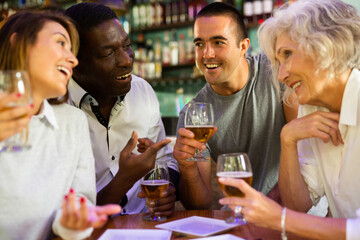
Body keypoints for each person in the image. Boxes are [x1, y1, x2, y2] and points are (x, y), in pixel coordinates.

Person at [218, 0, 360, 239]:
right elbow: (297, 205)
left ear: (328, 45)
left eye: (287, 54)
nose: (281, 75)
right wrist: (288, 138)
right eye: (278, 61)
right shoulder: (311, 110)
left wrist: (278, 218)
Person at [0, 11, 120, 240]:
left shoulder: (73, 122)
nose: (73, 59)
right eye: (60, 43)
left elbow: (80, 202)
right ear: (18, 45)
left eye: (72, 51)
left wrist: (71, 224)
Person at [173, 2, 298, 209]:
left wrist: (267, 210)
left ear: (243, 46)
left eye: (218, 42)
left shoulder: (278, 74)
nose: (207, 54)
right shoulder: (193, 114)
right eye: (199, 44)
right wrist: (188, 170)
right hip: (239, 219)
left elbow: (305, 153)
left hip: (294, 213)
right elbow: (200, 205)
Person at [64, 3, 179, 216]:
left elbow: (165, 160)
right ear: (76, 66)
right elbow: (63, 215)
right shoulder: (58, 109)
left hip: (143, 227)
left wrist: (167, 187)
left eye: (126, 45)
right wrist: (124, 179)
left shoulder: (142, 90)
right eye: (108, 53)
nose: (127, 60)